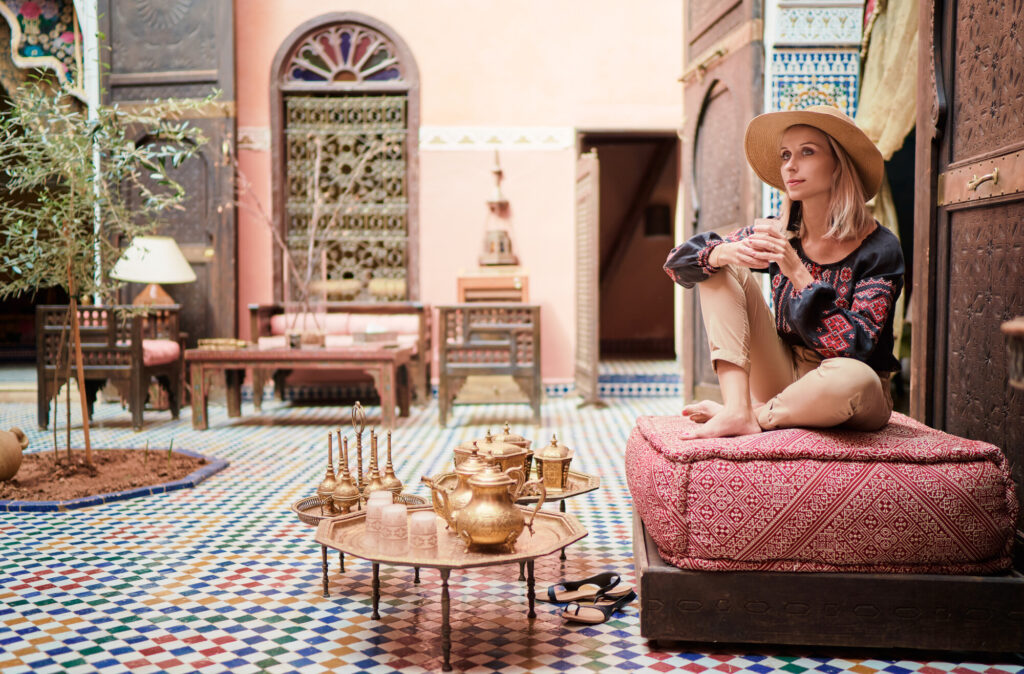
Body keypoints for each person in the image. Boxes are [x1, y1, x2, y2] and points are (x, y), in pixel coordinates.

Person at [664, 105, 904, 439]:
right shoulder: (780, 232)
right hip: (784, 374)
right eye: (785, 154)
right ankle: (736, 409)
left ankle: (755, 414)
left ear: (838, 165)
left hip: (850, 388)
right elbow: (677, 264)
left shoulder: (880, 248)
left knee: (854, 378)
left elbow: (856, 348)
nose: (790, 165)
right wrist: (724, 252)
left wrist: (797, 271)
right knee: (716, 266)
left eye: (807, 152)